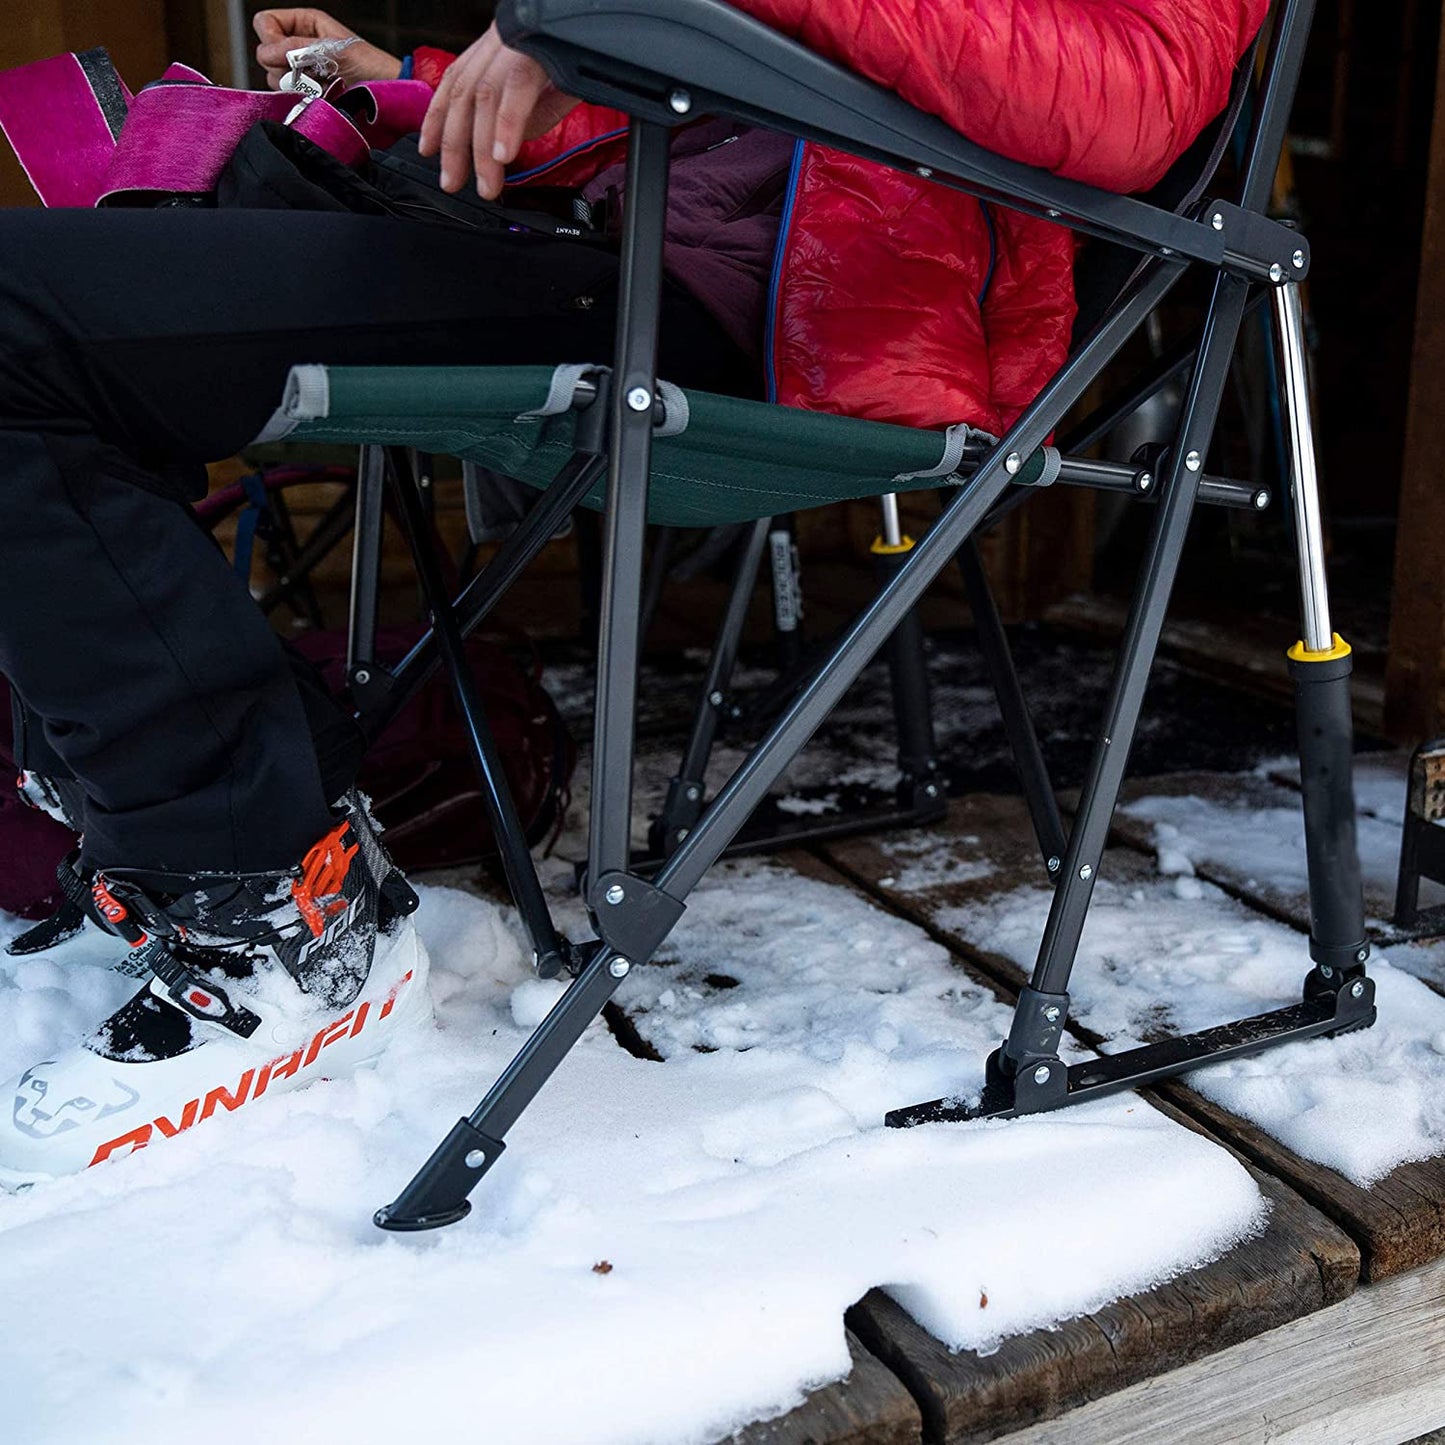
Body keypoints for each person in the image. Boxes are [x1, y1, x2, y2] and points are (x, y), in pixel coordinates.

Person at [0, 0, 1268, 1183]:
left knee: (18, 325)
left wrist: (599, 14)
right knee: (58, 289)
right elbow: (720, 99)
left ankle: (268, 904)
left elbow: (1129, 101)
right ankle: (214, 836)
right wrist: (417, 86)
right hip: (598, 247)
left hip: (758, 332)